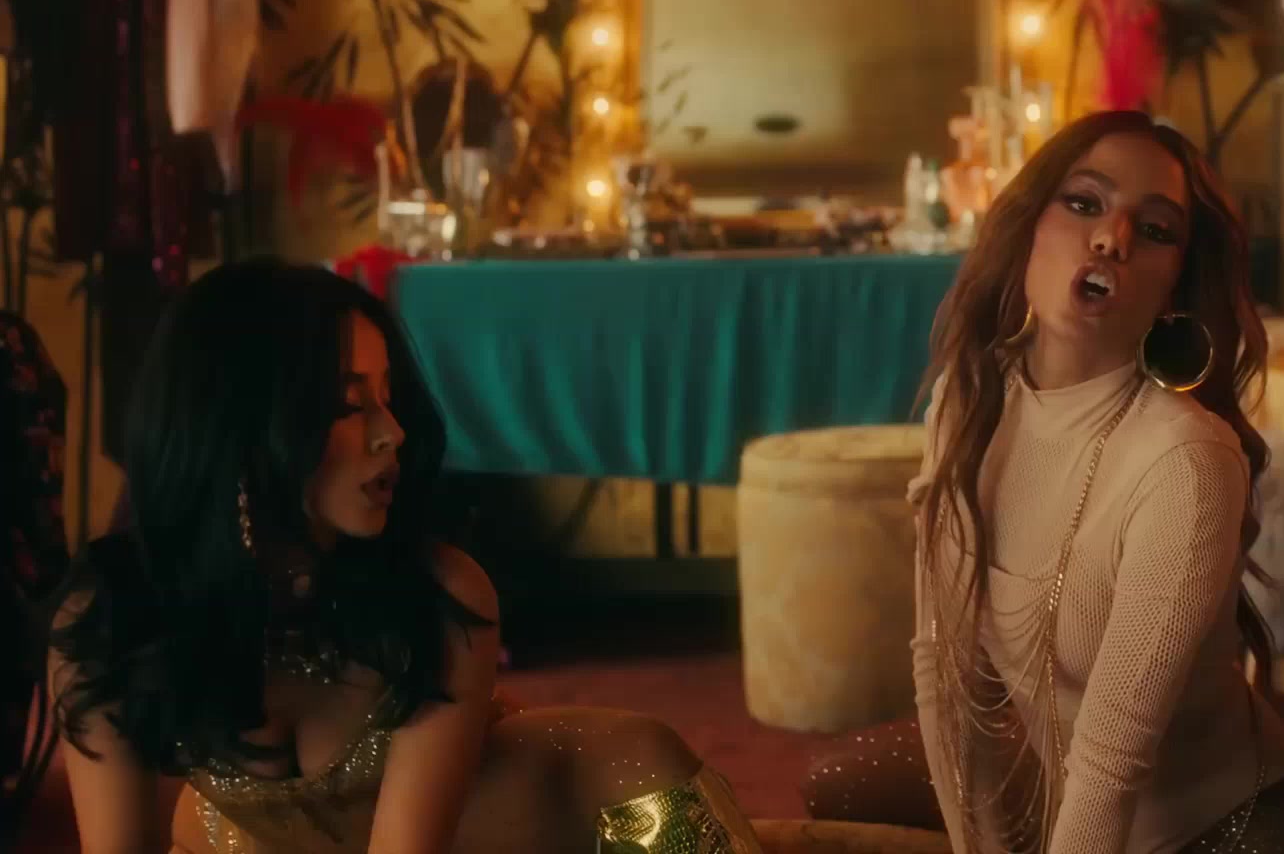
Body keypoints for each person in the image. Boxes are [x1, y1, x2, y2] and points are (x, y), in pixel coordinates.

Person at [47, 260, 761, 853]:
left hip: (595, 815)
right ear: (239, 426)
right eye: (351, 404)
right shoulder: (108, 619)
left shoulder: (440, 598)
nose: (392, 432)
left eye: (388, 399)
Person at [809, 111, 1284, 852]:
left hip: (1229, 829)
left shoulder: (1185, 460)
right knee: (841, 784)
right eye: (1084, 203)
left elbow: (1110, 764)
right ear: (1029, 225)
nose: (1111, 239)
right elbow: (944, 673)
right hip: (1056, 786)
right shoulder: (970, 398)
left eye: (1154, 230)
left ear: (1174, 286)